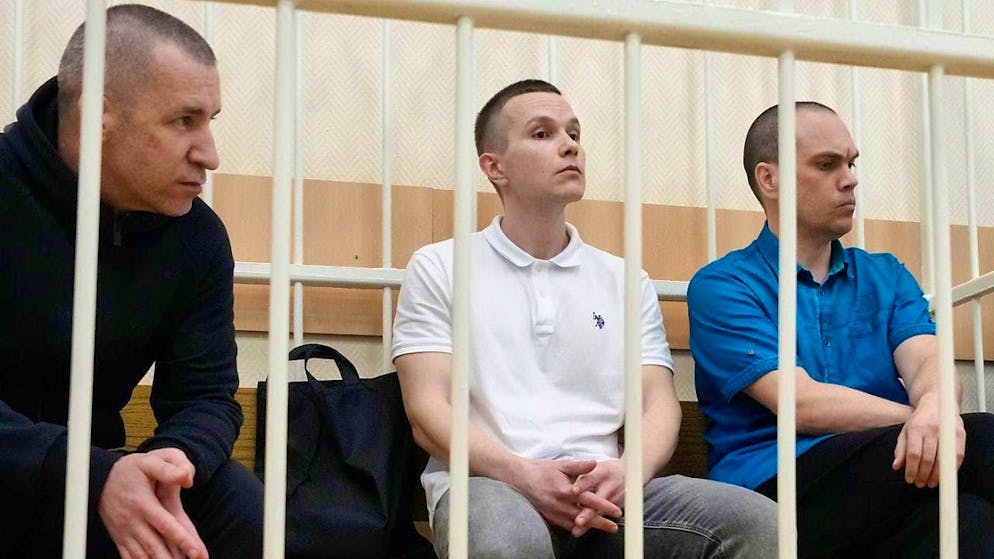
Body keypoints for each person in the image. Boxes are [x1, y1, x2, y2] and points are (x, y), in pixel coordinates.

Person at [392, 79, 778, 559]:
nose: (570, 144)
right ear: (495, 167)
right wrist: (526, 475)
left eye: (573, 132)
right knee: (505, 538)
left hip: (606, 491)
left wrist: (624, 474)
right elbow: (427, 414)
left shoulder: (622, 278)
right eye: (542, 133)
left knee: (761, 525)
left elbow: (658, 405)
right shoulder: (440, 266)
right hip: (489, 484)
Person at [0, 5, 263, 558]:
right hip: (29, 473)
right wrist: (92, 476)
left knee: (235, 501)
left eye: (211, 119)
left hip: (98, 485)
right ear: (99, 118)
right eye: (183, 121)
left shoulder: (197, 237)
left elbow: (209, 397)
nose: (210, 154)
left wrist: (170, 463)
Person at [688, 101, 994, 558]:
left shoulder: (886, 273)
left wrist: (935, 405)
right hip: (778, 486)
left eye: (851, 163)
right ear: (769, 180)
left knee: (968, 519)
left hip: (887, 474)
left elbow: (928, 360)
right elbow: (801, 404)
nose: (850, 178)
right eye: (827, 164)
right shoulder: (722, 285)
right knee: (985, 440)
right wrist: (929, 419)